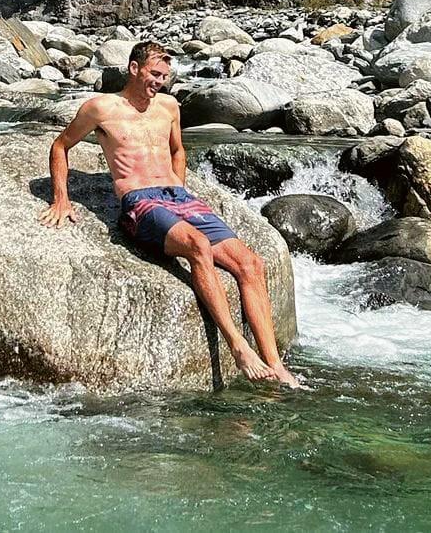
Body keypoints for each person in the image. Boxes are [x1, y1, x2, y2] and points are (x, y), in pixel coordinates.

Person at [38, 39, 299, 387]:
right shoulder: (100, 108)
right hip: (139, 202)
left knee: (251, 264)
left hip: (177, 197)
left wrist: (180, 188)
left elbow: (178, 150)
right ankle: (238, 347)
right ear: (134, 69)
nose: (159, 82)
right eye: (154, 74)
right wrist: (61, 199)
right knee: (198, 245)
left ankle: (275, 364)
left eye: (164, 76)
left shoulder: (169, 106)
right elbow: (60, 145)